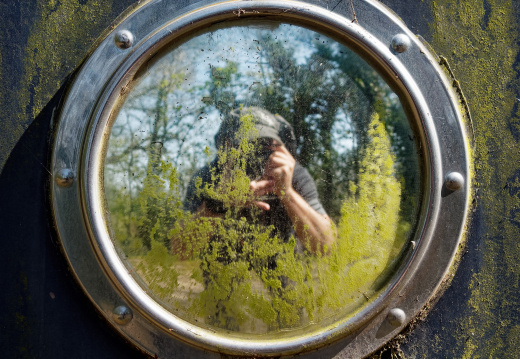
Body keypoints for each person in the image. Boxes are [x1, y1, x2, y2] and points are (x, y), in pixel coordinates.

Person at [183, 107, 335, 254]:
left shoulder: (289, 172)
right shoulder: (208, 177)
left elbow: (327, 246)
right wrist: (217, 204)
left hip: (280, 261)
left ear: (280, 148)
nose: (254, 157)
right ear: (225, 149)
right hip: (225, 264)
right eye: (244, 146)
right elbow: (180, 250)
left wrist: (287, 193)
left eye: (265, 146)